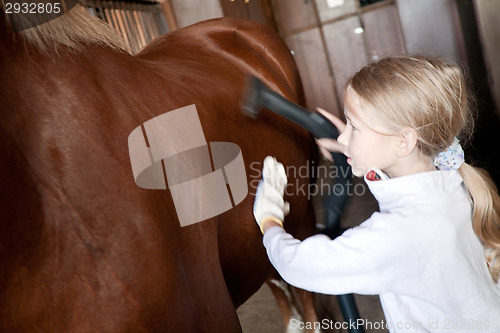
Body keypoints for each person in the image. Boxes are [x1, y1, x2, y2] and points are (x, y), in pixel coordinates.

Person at [253, 56, 500, 332]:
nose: (344, 137)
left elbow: (298, 265)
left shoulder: (398, 234)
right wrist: (355, 149)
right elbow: (399, 172)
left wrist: (269, 219)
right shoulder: (450, 177)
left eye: (354, 128)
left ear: (404, 141)